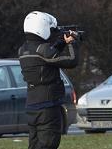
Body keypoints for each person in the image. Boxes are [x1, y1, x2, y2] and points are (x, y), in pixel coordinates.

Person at [18, 11, 80, 149]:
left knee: (35, 145)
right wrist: (72, 43)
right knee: (48, 143)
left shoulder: (23, 50)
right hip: (48, 106)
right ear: (42, 28)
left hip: (32, 106)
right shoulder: (43, 50)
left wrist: (62, 42)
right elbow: (71, 60)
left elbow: (49, 56)